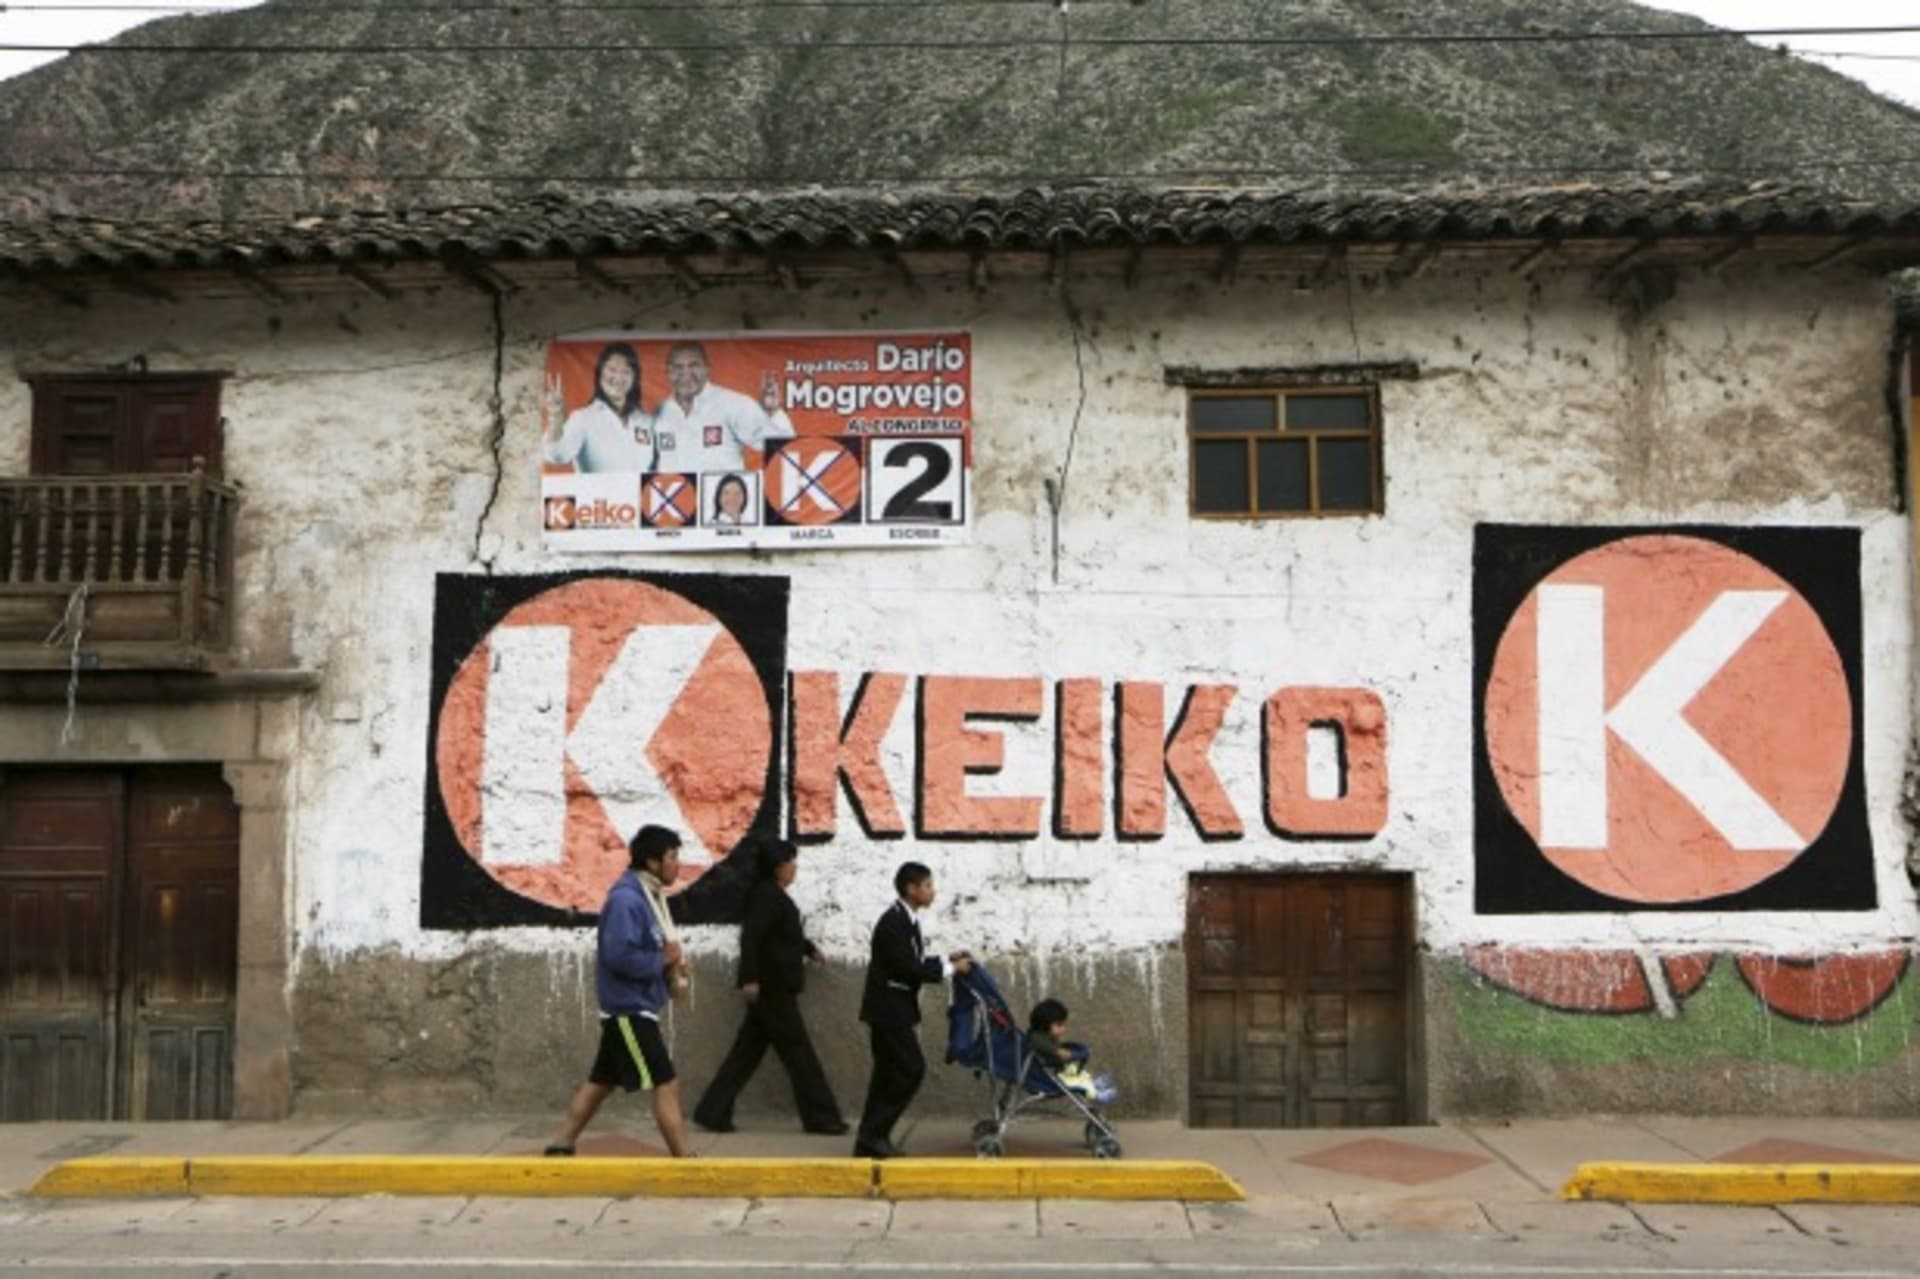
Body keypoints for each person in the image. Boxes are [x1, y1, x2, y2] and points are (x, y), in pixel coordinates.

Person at [546, 825, 693, 1158]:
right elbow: (618, 956)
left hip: (631, 1007)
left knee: (602, 1082)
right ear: (653, 863)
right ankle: (684, 1157)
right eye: (672, 856)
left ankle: (562, 1142)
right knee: (665, 1082)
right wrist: (661, 960)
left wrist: (670, 965)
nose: (677, 864)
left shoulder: (646, 897)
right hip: (629, 1009)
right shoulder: (627, 900)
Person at [691, 838, 848, 1136]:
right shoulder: (767, 896)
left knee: (745, 1054)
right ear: (778, 868)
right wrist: (749, 978)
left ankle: (712, 1111)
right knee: (799, 1054)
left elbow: (784, 934)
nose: (794, 869)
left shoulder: (772, 895)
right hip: (773, 988)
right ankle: (821, 1118)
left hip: (773, 987)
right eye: (791, 863)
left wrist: (809, 949)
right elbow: (752, 938)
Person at [854, 861, 971, 1159]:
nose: (933, 892)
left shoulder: (906, 920)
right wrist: (949, 968)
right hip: (888, 1010)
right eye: (928, 886)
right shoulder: (893, 923)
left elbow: (912, 960)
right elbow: (907, 968)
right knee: (910, 1070)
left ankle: (869, 1139)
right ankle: (874, 1134)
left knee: (886, 1074)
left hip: (893, 1009)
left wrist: (947, 959)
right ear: (912, 889)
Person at [653, 340, 793, 475]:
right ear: (668, 372)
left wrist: (773, 412)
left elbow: (782, 446)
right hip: (674, 497)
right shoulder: (660, 412)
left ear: (707, 369)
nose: (686, 374)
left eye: (694, 366)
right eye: (678, 367)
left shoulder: (733, 405)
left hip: (722, 497)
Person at [542, 342, 655, 473]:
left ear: (634, 378)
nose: (618, 377)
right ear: (599, 373)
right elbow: (556, 455)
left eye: (626, 371)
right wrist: (555, 418)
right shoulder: (583, 418)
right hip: (597, 494)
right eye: (612, 370)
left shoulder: (646, 422)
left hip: (641, 493)